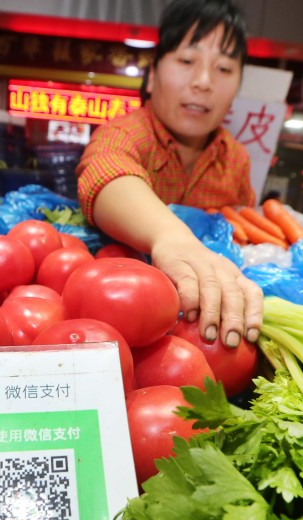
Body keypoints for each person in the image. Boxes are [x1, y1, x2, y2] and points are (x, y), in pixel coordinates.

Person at [76, 0, 262, 349]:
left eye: (223, 68)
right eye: (187, 61)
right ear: (153, 72)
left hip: (205, 332)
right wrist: (170, 237)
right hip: (129, 320)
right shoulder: (126, 133)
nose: (203, 82)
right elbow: (104, 170)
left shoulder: (236, 159)